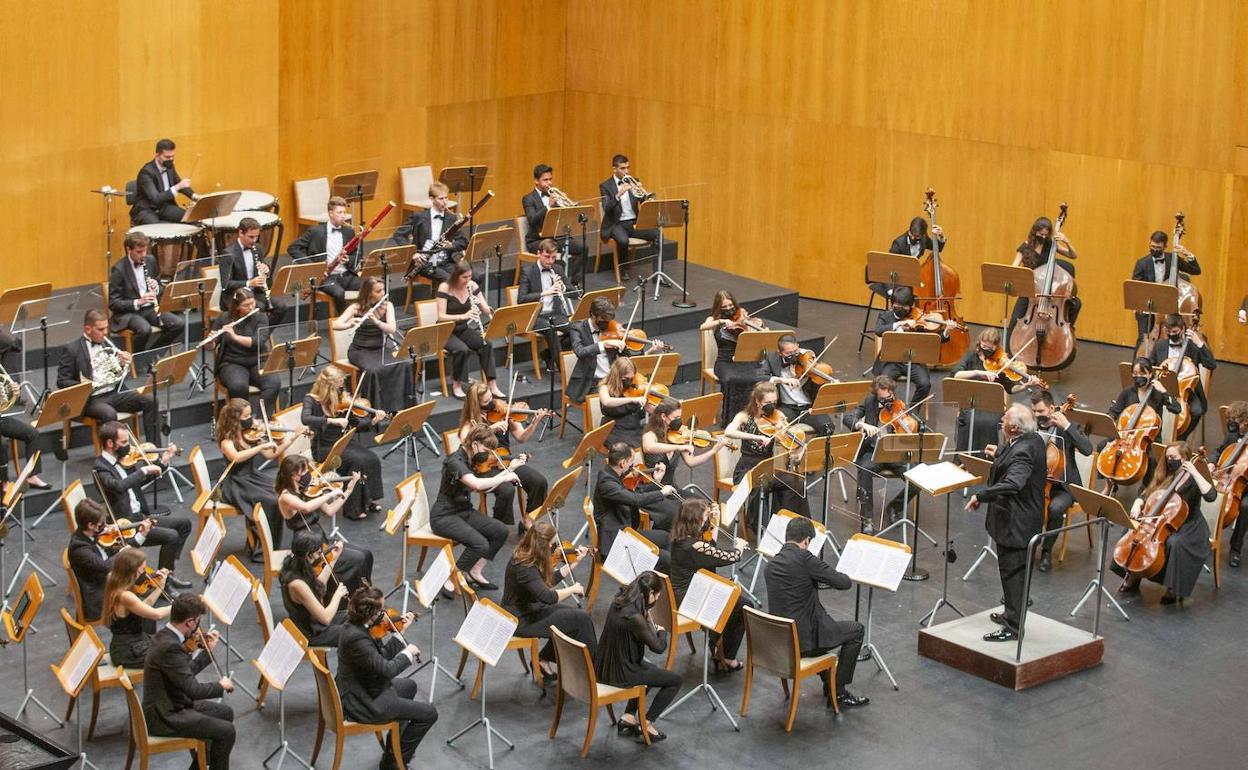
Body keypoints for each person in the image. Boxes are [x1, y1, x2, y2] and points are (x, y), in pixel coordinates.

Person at [763, 516, 868, 708]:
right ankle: (839, 692)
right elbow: (843, 583)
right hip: (804, 643)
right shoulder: (804, 558)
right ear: (806, 540)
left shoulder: (771, 565)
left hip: (780, 642)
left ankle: (830, 684)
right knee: (856, 630)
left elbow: (795, 585)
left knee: (827, 630)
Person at [964, 403, 1046, 642]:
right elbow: (1018, 459)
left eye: (1004, 420)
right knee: (1011, 572)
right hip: (1017, 520)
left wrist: (981, 495)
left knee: (1014, 575)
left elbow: (1014, 483)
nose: (1000, 421)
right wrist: (1000, 453)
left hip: (1016, 523)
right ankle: (1011, 613)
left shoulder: (1022, 451)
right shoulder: (1033, 440)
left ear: (1012, 428)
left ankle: (1013, 627)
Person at [336, 585, 437, 770]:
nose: (384, 613)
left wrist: (401, 634)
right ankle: (394, 764)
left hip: (363, 687)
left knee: (409, 686)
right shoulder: (358, 638)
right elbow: (387, 670)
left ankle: (394, 749)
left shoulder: (355, 625)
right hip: (364, 703)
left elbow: (378, 658)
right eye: (381, 609)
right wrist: (408, 652)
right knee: (429, 714)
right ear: (371, 614)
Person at [1112, 443, 1215, 604]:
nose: (1170, 461)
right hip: (1162, 520)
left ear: (1186, 459)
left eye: (1174, 458)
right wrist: (1139, 501)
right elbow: (1148, 488)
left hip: (1189, 525)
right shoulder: (1167, 473)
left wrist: (1195, 471)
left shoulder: (1195, 480)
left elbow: (1211, 496)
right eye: (1168, 458)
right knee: (1132, 529)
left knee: (1175, 542)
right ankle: (1133, 574)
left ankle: (1173, 589)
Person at [141, 593, 235, 770]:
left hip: (169, 703)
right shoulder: (171, 647)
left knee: (225, 712)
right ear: (190, 622)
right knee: (226, 732)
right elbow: (193, 690)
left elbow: (184, 673)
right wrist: (221, 686)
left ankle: (200, 767)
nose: (198, 627)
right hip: (165, 716)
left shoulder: (164, 635)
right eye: (198, 621)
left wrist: (207, 653)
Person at [93, 421, 191, 585]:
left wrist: (163, 462)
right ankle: (163, 582)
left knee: (184, 524)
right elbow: (118, 486)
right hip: (127, 524)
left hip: (141, 515)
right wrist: (143, 470)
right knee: (171, 536)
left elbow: (139, 479)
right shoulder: (101, 468)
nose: (128, 446)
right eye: (124, 442)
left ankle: (168, 572)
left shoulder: (124, 459)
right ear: (110, 444)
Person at [501, 520, 595, 682]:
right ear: (542, 546)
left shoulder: (526, 554)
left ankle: (544, 659)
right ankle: (594, 669)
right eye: (552, 544)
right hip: (520, 619)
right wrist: (573, 589)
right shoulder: (525, 567)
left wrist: (573, 565)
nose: (554, 548)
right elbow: (548, 597)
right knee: (581, 619)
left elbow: (544, 583)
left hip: (530, 609)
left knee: (575, 616)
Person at [594, 571, 679, 743]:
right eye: (657, 596)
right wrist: (662, 632)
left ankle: (628, 717)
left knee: (651, 671)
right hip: (621, 672)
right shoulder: (634, 618)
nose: (656, 600)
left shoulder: (619, 601)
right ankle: (646, 723)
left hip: (605, 664)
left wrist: (645, 611)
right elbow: (658, 648)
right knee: (675, 680)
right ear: (650, 593)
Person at [216, 398, 307, 558]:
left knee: (282, 492)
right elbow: (236, 457)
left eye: (251, 415)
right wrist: (259, 446)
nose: (251, 419)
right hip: (237, 483)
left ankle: (282, 542)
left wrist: (291, 439)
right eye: (246, 417)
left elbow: (271, 454)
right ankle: (265, 547)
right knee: (271, 501)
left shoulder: (251, 433)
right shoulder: (227, 440)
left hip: (252, 477)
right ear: (235, 419)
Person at [428, 424, 513, 593]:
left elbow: (483, 488)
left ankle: (474, 571)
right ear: (474, 444)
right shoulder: (455, 461)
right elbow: (476, 484)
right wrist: (505, 477)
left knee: (500, 531)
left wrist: (510, 469)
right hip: (444, 516)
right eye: (486, 449)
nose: (487, 454)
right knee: (480, 544)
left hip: (463, 510)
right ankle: (452, 576)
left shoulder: (471, 459)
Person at [668, 499, 752, 671]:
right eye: (705, 517)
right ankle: (725, 654)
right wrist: (740, 547)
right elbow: (729, 557)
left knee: (733, 599)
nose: (706, 521)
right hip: (690, 600)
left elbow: (708, 548)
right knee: (744, 604)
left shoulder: (680, 538)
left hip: (680, 594)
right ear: (695, 520)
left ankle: (717, 642)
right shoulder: (694, 546)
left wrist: (715, 520)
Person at [458, 381, 550, 531]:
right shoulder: (471, 421)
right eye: (486, 402)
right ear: (476, 404)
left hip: (506, 461)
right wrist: (490, 429)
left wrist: (533, 424)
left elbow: (521, 437)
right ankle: (497, 527)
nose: (492, 403)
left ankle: (527, 519)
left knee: (539, 481)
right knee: (507, 490)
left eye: (491, 398)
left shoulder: (501, 410)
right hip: (484, 467)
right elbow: (465, 441)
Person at [274, 455, 373, 592]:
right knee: (358, 559)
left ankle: (364, 592)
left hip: (320, 539)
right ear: (294, 476)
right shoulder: (285, 497)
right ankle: (354, 595)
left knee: (366, 554)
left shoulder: (307, 490)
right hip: (308, 546)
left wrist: (348, 490)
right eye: (304, 471)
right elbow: (305, 507)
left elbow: (330, 510)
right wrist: (328, 495)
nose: (308, 474)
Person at [58, 309, 159, 442]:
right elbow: (62, 381)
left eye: (106, 328)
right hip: (91, 399)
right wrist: (83, 385)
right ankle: (114, 456)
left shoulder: (106, 343)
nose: (105, 333)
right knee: (108, 413)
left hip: (114, 392)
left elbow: (116, 375)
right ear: (88, 329)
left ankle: (154, 450)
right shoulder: (72, 349)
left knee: (151, 400)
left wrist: (122, 364)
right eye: (100, 329)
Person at [302, 366, 386, 518]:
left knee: (372, 458)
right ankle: (354, 509)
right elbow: (305, 419)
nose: (342, 389)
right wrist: (332, 421)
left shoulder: (342, 401)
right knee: (357, 462)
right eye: (338, 386)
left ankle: (368, 499)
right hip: (324, 447)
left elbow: (357, 425)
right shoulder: (311, 400)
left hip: (344, 443)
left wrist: (373, 420)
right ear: (328, 387)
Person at [725, 382, 812, 529]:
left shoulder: (779, 416)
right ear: (758, 402)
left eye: (774, 402)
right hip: (748, 468)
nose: (772, 406)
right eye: (767, 403)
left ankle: (790, 525)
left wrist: (797, 450)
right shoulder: (744, 416)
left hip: (769, 466)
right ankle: (763, 529)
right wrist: (755, 437)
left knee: (795, 481)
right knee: (759, 486)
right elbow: (729, 431)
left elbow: (789, 444)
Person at [69, 498, 164, 621]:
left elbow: (112, 555)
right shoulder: (80, 549)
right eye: (100, 524)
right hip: (99, 597)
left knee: (139, 583)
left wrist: (140, 536)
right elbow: (110, 566)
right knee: (140, 610)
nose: (105, 526)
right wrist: (136, 540)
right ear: (90, 525)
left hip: (106, 582)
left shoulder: (89, 536)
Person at [1030, 390, 1094, 572]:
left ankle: (1046, 552)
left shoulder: (1068, 428)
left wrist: (1066, 426)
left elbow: (1088, 450)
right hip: (1038, 482)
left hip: (1063, 486)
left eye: (1040, 412)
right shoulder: (1031, 426)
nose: (1036, 415)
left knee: (1055, 508)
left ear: (1051, 408)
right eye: (1034, 411)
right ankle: (1026, 545)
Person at [950, 328, 1040, 451]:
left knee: (989, 422)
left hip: (992, 404)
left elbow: (1011, 388)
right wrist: (978, 372)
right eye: (984, 346)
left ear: (997, 347)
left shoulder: (1001, 362)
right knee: (969, 419)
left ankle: (986, 456)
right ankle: (963, 456)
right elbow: (955, 374)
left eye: (990, 349)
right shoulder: (971, 356)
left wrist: (1025, 385)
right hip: (971, 401)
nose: (986, 351)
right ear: (979, 343)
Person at [334, 276, 411, 413]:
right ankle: (375, 409)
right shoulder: (356, 307)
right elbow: (336, 325)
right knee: (374, 370)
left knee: (402, 364)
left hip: (379, 349)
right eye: (378, 291)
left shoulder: (388, 306)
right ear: (369, 293)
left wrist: (377, 322)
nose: (382, 294)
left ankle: (398, 407)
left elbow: (392, 329)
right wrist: (349, 324)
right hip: (359, 351)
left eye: (383, 290)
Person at [593, 442, 676, 568]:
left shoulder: (613, 473)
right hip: (617, 541)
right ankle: (655, 581)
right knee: (667, 559)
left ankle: (664, 581)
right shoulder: (607, 482)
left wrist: (656, 481)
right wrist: (661, 493)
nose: (632, 466)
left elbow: (636, 492)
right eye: (630, 462)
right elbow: (635, 499)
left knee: (666, 538)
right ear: (622, 463)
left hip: (625, 529)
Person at [565, 297, 663, 403]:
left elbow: (627, 359)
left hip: (615, 380)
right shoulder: (578, 328)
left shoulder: (613, 329)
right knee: (621, 403)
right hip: (591, 383)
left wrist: (649, 351)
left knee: (643, 399)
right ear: (593, 315)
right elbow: (580, 351)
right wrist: (603, 344)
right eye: (603, 320)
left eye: (609, 320)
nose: (607, 324)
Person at [1103, 358, 1183, 485]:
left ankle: (1145, 490)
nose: (1138, 377)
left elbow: (1177, 409)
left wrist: (1164, 391)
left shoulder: (1157, 393)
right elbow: (1114, 411)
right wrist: (1110, 418)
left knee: (1152, 459)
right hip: (1126, 435)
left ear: (1150, 374)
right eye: (1135, 374)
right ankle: (1110, 483)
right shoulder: (1128, 392)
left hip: (1149, 438)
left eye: (1142, 373)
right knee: (1103, 446)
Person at [871, 286, 953, 403]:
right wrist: (900, 323)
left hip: (915, 361)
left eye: (904, 306)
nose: (900, 308)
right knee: (883, 385)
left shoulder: (918, 318)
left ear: (911, 306)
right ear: (892, 303)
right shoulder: (885, 316)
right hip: (891, 361)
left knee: (925, 384)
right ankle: (891, 409)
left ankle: (913, 413)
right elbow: (878, 331)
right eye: (897, 305)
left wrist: (947, 331)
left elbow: (937, 339)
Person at [436, 260, 503, 400]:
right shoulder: (445, 287)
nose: (468, 280)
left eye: (470, 276)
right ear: (456, 276)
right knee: (462, 349)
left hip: (462, 329)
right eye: (464, 277)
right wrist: (464, 316)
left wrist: (481, 305)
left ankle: (492, 384)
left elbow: (486, 311)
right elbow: (441, 316)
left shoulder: (472, 286)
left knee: (486, 344)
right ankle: (457, 385)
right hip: (445, 330)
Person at [1143, 313, 1215, 441]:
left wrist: (1199, 343)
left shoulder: (1192, 346)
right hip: (1163, 388)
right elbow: (1150, 365)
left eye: (1175, 331)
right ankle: (1155, 437)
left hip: (1186, 391)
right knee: (1148, 406)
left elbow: (1211, 364)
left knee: (1197, 410)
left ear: (1182, 329)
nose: (1171, 335)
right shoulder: (1160, 345)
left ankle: (1181, 438)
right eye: (1168, 331)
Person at [108, 232, 185, 351]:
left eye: (144, 251)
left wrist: (157, 287)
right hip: (129, 312)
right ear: (129, 249)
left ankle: (152, 356)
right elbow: (113, 303)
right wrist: (138, 302)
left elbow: (160, 285)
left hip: (150, 308)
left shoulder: (150, 260)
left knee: (178, 324)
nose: (143, 255)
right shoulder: (119, 270)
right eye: (139, 252)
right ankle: (138, 362)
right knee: (144, 329)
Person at [1008, 215, 1081, 338]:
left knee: (1076, 304)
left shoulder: (1051, 245)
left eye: (1045, 235)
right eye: (1040, 234)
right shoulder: (1026, 246)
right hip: (1030, 290)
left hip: (1048, 291)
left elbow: (1073, 255)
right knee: (1016, 318)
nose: (1043, 237)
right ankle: (1010, 350)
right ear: (1035, 231)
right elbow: (1014, 267)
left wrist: (1066, 241)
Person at [640, 396, 725, 503]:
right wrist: (678, 447)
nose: (679, 421)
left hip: (673, 489)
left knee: (703, 505)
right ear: (663, 416)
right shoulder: (650, 435)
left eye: (680, 417)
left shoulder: (678, 437)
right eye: (676, 418)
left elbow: (691, 462)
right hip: (654, 491)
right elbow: (649, 447)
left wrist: (713, 451)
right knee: (686, 511)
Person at [701, 290, 767, 422]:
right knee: (730, 379)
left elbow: (752, 334)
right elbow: (703, 327)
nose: (729, 309)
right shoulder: (713, 318)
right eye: (724, 307)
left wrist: (753, 325)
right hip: (724, 362)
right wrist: (721, 321)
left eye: (730, 306)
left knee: (753, 378)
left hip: (743, 360)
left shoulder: (741, 313)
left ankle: (750, 416)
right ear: (718, 307)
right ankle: (731, 419)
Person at [212, 288, 280, 414]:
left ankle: (262, 420)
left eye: (252, 303)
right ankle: (242, 423)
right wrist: (212, 341)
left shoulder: (261, 316)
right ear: (237, 307)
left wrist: (235, 337)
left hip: (258, 360)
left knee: (274, 383)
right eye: (246, 305)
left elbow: (258, 342)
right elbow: (211, 345)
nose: (251, 307)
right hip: (232, 363)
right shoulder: (224, 318)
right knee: (238, 386)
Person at [286, 195, 359, 314]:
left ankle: (368, 321)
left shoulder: (349, 231)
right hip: (326, 277)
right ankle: (345, 324)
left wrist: (347, 260)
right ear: (330, 213)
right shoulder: (316, 231)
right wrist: (313, 267)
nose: (343, 216)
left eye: (344, 212)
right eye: (339, 212)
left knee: (372, 285)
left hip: (346, 275)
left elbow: (357, 254)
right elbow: (293, 248)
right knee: (339, 293)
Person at [1130, 230, 1201, 350]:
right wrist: (1137, 304)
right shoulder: (1142, 263)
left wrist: (1187, 253)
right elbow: (1136, 287)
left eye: (1158, 247)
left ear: (1165, 247)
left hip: (1168, 307)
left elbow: (1196, 270)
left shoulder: (1173, 259)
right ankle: (1137, 366)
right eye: (1152, 246)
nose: (1154, 250)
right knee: (1143, 339)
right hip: (1148, 307)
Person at [102, 546, 171, 668]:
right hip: (129, 651)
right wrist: (179, 605)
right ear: (132, 570)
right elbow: (156, 615)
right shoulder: (124, 595)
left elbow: (144, 606)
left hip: (127, 644)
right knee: (173, 658)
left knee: (169, 647)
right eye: (142, 570)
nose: (144, 573)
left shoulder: (115, 582)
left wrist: (160, 586)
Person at [280, 532, 349, 647]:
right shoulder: (297, 584)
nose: (322, 556)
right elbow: (326, 618)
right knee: (357, 634)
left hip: (315, 624)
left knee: (356, 617)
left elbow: (317, 585)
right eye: (319, 553)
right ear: (309, 555)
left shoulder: (298, 567)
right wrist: (338, 594)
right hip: (312, 633)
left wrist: (333, 559)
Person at [757, 332, 836, 434]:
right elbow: (760, 377)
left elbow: (819, 379)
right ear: (780, 352)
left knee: (828, 428)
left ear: (798, 346)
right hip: (787, 407)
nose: (793, 355)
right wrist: (782, 380)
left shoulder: (806, 356)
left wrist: (829, 382)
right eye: (788, 353)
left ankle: (812, 450)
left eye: (795, 351)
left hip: (809, 408)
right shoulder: (772, 359)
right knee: (771, 427)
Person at [516, 238, 574, 372]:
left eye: (553, 257)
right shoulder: (528, 271)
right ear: (538, 253)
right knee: (551, 328)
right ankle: (564, 371)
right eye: (547, 257)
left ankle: (548, 354)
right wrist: (545, 293)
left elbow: (573, 293)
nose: (550, 261)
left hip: (555, 314)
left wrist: (563, 287)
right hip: (536, 316)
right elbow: (521, 299)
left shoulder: (558, 268)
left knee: (576, 330)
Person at [394, 181, 466, 286]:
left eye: (446, 198)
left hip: (446, 262)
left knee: (470, 276)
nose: (445, 202)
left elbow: (463, 241)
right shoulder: (418, 217)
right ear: (432, 199)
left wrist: (451, 245)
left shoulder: (451, 218)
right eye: (441, 199)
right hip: (424, 263)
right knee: (449, 280)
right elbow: (399, 235)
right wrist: (413, 253)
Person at [218, 217, 289, 322]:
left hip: (256, 293)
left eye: (256, 237)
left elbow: (264, 268)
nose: (254, 240)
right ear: (240, 233)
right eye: (250, 237)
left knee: (281, 307)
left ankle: (262, 335)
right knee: (257, 308)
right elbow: (226, 284)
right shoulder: (228, 253)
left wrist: (266, 270)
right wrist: (249, 283)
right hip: (235, 296)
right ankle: (256, 336)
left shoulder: (257, 248)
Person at [522, 165, 586, 281]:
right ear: (536, 181)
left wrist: (566, 204)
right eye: (545, 180)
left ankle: (574, 282)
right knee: (553, 251)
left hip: (556, 237)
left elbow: (566, 217)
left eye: (550, 179)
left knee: (583, 248)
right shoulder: (528, 198)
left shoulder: (554, 196)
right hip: (537, 240)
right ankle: (555, 283)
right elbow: (532, 220)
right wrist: (548, 206)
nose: (549, 183)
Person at [599, 154, 658, 281]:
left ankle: (658, 274)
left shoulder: (634, 181)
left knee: (657, 234)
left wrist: (645, 196)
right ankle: (623, 269)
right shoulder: (605, 186)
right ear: (614, 169)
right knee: (622, 240)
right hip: (616, 224)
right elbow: (607, 208)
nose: (626, 171)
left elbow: (644, 202)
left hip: (633, 223)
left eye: (627, 168)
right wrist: (620, 193)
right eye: (622, 168)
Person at [866, 216, 947, 301]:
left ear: (923, 235)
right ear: (909, 229)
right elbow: (889, 267)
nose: (913, 238)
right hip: (896, 278)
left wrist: (941, 236)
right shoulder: (898, 243)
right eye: (911, 235)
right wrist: (891, 291)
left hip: (910, 277)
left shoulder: (924, 238)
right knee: (904, 297)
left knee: (920, 294)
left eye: (917, 237)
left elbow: (938, 248)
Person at [129, 138, 198, 225]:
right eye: (167, 157)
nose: (171, 159)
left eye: (173, 156)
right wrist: (177, 187)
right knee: (158, 229)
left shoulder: (169, 165)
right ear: (157, 156)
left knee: (191, 219)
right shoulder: (146, 172)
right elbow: (155, 198)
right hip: (146, 209)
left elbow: (178, 182)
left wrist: (194, 196)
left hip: (164, 206)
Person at [1214, 400, 1248, 567]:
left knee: (1245, 507)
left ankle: (1235, 549)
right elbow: (1219, 450)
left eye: (1235, 420)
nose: (1231, 424)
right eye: (1230, 419)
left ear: (1245, 422)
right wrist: (1212, 462)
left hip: (1245, 485)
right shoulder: (1233, 436)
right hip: (1228, 480)